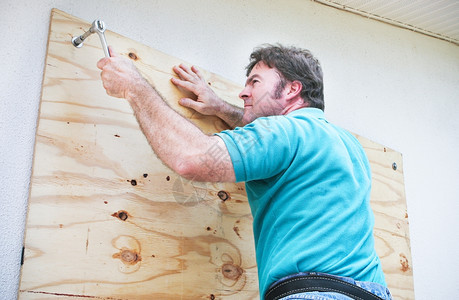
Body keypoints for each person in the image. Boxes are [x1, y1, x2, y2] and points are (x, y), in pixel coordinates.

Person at [97, 44, 392, 300]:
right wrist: (221, 109)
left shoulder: (284, 132)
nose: (243, 92)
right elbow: (277, 145)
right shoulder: (345, 144)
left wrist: (133, 87)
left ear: (292, 89)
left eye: (254, 82)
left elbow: (193, 158)